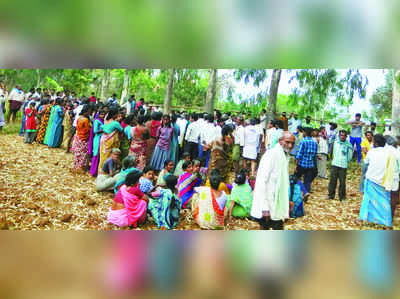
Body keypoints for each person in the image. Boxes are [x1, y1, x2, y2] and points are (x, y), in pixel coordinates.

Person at [251, 131, 295, 230]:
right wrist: (265, 207)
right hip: (267, 204)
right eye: (287, 142)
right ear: (280, 141)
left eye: (292, 143)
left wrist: (287, 202)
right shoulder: (271, 155)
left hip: (276, 203)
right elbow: (262, 181)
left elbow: (282, 183)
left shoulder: (285, 156)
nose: (290, 145)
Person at [359, 135, 398, 227]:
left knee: (368, 201)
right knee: (384, 202)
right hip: (383, 182)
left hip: (372, 180)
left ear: (375, 143)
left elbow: (365, 162)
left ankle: (365, 219)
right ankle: (386, 222)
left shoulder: (372, 152)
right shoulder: (389, 153)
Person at [327, 130, 353, 201]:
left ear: (346, 136)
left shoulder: (349, 145)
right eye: (341, 135)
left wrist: (346, 160)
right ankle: (331, 195)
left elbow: (350, 156)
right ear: (339, 136)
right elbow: (331, 150)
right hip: (335, 164)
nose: (342, 137)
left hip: (343, 165)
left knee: (342, 182)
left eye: (344, 135)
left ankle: (342, 197)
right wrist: (331, 158)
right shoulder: (335, 142)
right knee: (332, 181)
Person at [295, 127, 318, 193]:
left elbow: (299, 154)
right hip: (310, 165)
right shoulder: (314, 143)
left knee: (295, 177)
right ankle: (306, 192)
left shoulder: (303, 141)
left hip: (302, 164)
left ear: (305, 133)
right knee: (307, 180)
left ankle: (302, 191)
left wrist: (296, 165)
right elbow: (314, 155)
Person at [72, 105, 92, 171]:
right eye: (89, 111)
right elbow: (87, 130)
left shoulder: (79, 118)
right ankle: (81, 167)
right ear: (86, 112)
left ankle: (76, 165)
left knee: (78, 153)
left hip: (78, 137)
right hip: (84, 138)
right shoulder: (86, 120)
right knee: (83, 154)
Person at [89, 110, 105, 177]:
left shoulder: (104, 121)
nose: (103, 116)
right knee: (96, 154)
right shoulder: (97, 121)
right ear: (99, 114)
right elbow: (95, 131)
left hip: (102, 139)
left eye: (104, 114)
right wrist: (103, 130)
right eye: (101, 114)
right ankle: (93, 171)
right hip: (97, 139)